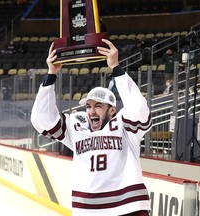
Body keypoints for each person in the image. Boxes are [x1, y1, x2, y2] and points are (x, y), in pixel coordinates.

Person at [31, 39, 152, 216]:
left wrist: (116, 68)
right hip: (88, 210)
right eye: (88, 106)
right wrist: (51, 74)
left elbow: (139, 109)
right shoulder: (77, 127)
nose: (91, 111)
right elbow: (41, 119)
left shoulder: (124, 126)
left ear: (112, 110)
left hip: (128, 208)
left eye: (98, 106)